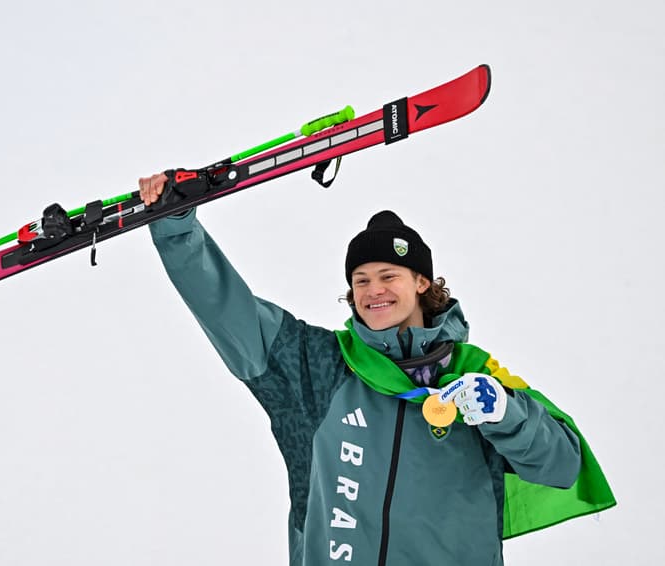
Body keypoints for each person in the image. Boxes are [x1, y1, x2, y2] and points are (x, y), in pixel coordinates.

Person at [138, 173, 614, 566]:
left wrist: (504, 414)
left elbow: (563, 466)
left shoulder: (474, 375)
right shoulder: (317, 367)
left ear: (421, 281)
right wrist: (178, 226)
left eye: (389, 276)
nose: (373, 290)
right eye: (361, 280)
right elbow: (228, 309)